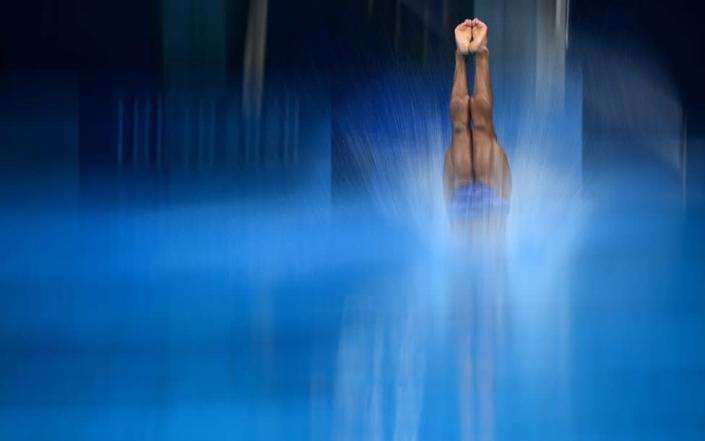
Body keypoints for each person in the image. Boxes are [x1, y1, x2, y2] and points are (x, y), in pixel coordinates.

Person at [444, 19, 511, 220]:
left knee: (463, 130)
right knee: (479, 128)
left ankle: (463, 54)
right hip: (489, 205)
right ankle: (478, 52)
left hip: (461, 204)